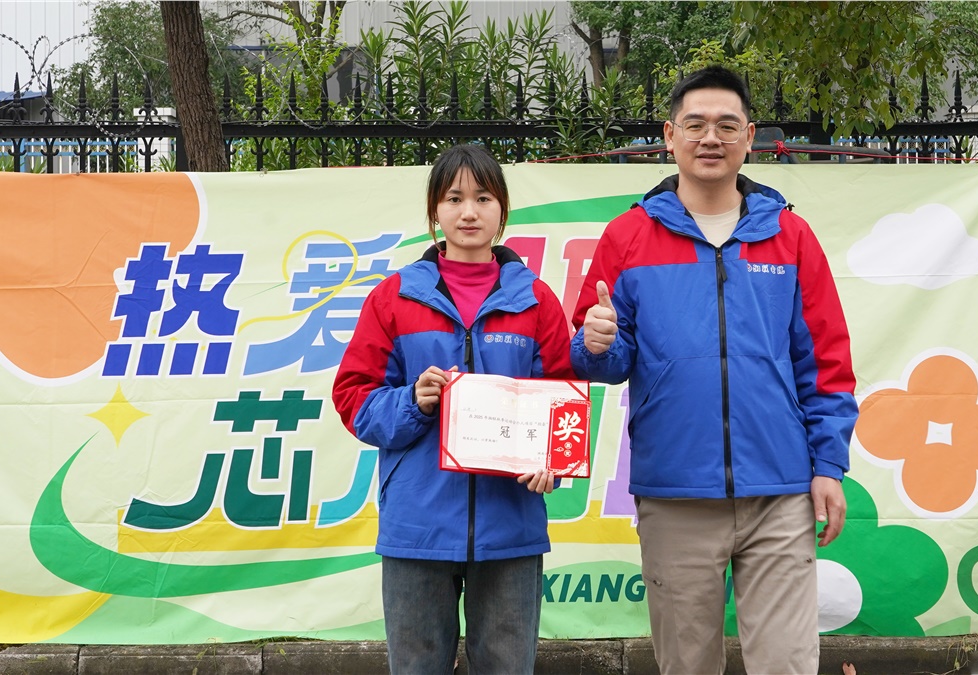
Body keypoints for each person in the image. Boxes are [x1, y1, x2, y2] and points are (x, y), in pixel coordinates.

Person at [571, 66, 858, 675]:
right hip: (675, 491)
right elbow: (606, 358)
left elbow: (825, 362)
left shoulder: (789, 236)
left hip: (780, 491)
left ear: (749, 137)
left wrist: (828, 466)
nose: (710, 138)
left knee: (787, 664)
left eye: (727, 126)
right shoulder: (628, 236)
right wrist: (596, 343)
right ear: (669, 135)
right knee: (687, 666)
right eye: (695, 124)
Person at [333, 144, 572, 675]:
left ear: (502, 210)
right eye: (454, 198)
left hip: (510, 528)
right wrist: (412, 402)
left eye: (483, 198)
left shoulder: (536, 300)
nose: (469, 212)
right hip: (417, 527)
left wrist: (552, 463)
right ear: (434, 212)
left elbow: (562, 400)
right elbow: (353, 396)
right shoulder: (394, 297)